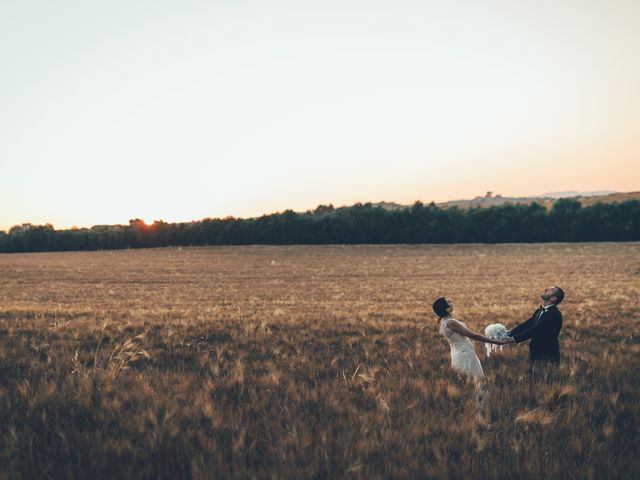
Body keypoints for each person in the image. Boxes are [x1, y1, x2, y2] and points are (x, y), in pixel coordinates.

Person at [434, 297, 509, 382]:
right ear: (447, 309)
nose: (451, 301)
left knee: (467, 383)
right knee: (477, 382)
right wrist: (496, 342)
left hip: (458, 354)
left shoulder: (444, 321)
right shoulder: (451, 322)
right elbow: (474, 336)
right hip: (465, 355)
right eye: (448, 301)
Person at [502, 286, 564, 364]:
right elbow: (527, 324)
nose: (546, 289)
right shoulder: (539, 311)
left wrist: (513, 339)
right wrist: (509, 334)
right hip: (535, 352)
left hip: (548, 354)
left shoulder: (554, 314)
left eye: (550, 290)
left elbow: (536, 329)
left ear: (553, 298)